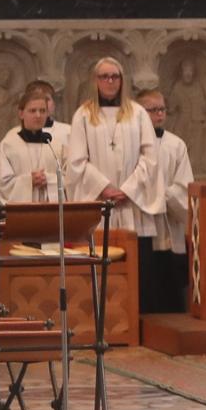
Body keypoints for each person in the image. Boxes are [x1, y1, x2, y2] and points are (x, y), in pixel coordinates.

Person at [62, 57, 163, 272]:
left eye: (115, 76)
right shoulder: (83, 115)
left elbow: (150, 157)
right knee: (98, 270)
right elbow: (77, 160)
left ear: (122, 80)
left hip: (132, 203)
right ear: (95, 81)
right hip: (98, 202)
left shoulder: (137, 114)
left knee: (135, 271)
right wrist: (104, 188)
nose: (110, 81)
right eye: (104, 76)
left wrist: (127, 189)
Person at [137, 90, 193, 313]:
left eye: (162, 109)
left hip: (168, 226)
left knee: (170, 290)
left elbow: (184, 188)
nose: (159, 114)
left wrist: (161, 195)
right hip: (141, 224)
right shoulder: (132, 144)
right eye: (153, 110)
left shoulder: (176, 145)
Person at [0, 82, 66, 202]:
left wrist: (48, 180)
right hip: (22, 215)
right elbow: (3, 184)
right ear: (21, 113)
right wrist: (29, 181)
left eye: (42, 111)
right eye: (32, 111)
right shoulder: (9, 144)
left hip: (52, 212)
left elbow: (69, 178)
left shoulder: (55, 144)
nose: (38, 115)